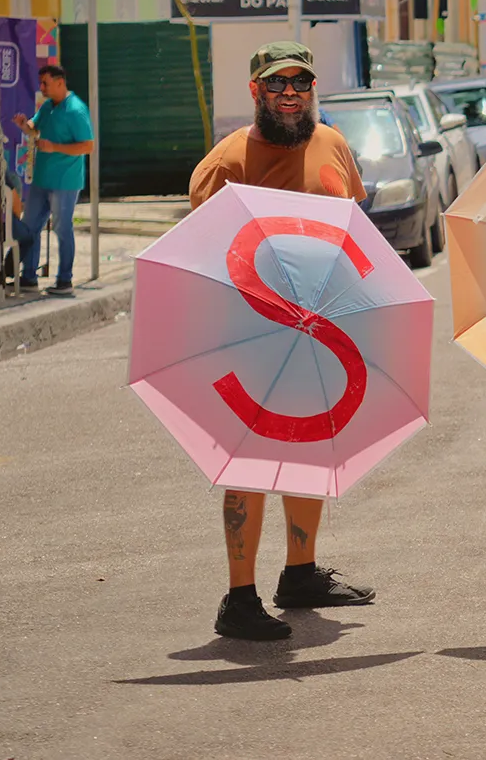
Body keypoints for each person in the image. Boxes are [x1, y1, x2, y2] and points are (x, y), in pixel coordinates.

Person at [189, 41, 377, 641]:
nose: (291, 93)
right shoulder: (228, 163)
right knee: (247, 463)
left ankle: (299, 574)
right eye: (278, 83)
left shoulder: (333, 145)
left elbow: (355, 227)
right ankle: (238, 598)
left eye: (300, 82)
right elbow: (199, 256)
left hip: (322, 331)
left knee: (307, 450)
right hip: (252, 336)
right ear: (255, 91)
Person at [11, 65, 95, 295]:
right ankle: (28, 277)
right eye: (40, 83)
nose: (42, 87)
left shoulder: (76, 110)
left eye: (45, 83)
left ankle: (65, 280)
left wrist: (54, 147)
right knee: (30, 228)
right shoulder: (48, 106)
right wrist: (24, 126)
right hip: (42, 179)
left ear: (60, 82)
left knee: (62, 228)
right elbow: (34, 128)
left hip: (65, 183)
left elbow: (88, 146)